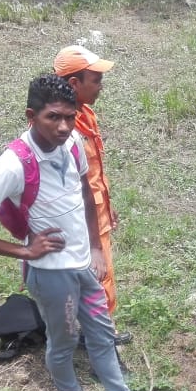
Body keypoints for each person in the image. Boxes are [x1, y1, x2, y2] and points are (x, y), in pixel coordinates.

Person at [0, 75, 173, 391]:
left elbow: (86, 195)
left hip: (83, 266)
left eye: (71, 116)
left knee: (102, 336)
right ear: (31, 116)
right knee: (63, 341)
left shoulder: (72, 145)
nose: (64, 126)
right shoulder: (13, 164)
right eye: (54, 117)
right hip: (51, 275)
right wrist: (23, 250)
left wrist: (97, 249)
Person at [53, 44, 131, 345]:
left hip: (96, 210)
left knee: (103, 270)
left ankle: (101, 329)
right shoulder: (60, 125)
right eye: (95, 80)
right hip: (78, 215)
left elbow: (95, 170)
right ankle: (97, 336)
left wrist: (107, 206)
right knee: (93, 275)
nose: (101, 86)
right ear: (74, 83)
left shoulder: (86, 115)